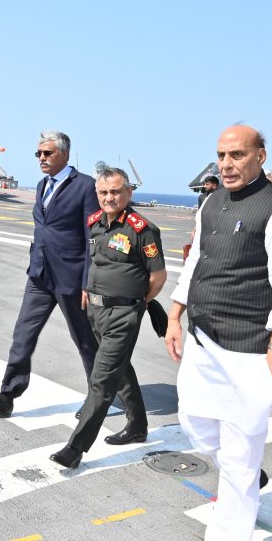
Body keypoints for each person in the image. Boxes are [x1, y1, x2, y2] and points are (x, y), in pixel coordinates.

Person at [166, 125, 272, 540]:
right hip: (203, 337)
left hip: (249, 348)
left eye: (237, 155)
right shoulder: (211, 202)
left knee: (240, 452)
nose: (226, 164)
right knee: (194, 423)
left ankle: (231, 526)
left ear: (260, 157)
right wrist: (175, 314)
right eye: (221, 156)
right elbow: (196, 261)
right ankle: (243, 475)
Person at [0, 131, 99, 418]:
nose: (41, 158)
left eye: (47, 153)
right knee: (22, 335)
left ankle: (98, 396)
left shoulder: (85, 186)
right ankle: (7, 395)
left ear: (64, 154)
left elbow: (93, 238)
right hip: (40, 274)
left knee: (85, 340)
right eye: (38, 153)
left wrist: (88, 282)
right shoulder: (42, 186)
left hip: (71, 277)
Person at [48, 167, 167, 468]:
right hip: (96, 311)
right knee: (120, 368)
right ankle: (138, 425)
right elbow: (96, 262)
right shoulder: (95, 224)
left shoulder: (142, 229)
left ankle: (75, 449)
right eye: (103, 192)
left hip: (123, 314)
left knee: (101, 381)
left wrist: (136, 302)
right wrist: (88, 290)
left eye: (115, 191)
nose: (109, 197)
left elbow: (158, 277)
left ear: (128, 192)